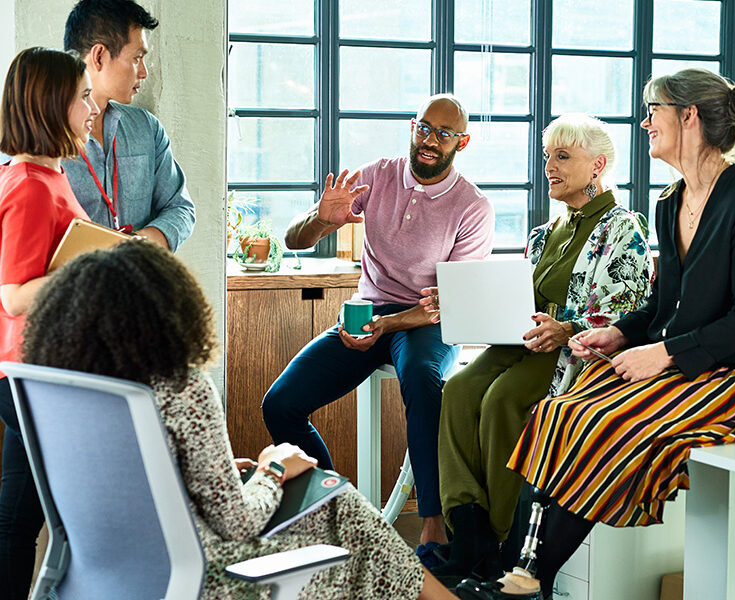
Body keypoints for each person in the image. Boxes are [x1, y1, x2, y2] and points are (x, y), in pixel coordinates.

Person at [458, 69, 735, 600]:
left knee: (604, 418)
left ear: (688, 117)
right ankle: (513, 574)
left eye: (652, 109)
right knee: (558, 410)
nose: (644, 122)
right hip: (690, 365)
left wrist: (660, 354)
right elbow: (664, 307)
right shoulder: (670, 203)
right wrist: (617, 335)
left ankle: (525, 584)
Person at [21, 240, 461, 600]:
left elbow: (132, 481)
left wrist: (214, 474)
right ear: (167, 310)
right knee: (338, 506)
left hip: (102, 576)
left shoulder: (62, 392)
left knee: (326, 501)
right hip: (206, 578)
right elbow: (238, 524)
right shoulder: (182, 388)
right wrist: (274, 467)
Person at [421, 114, 653, 586]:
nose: (549, 165)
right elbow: (517, 297)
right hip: (521, 341)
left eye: (563, 157)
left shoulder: (622, 227)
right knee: (459, 389)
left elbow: (629, 309)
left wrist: (566, 328)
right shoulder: (545, 232)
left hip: (568, 352)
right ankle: (468, 533)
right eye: (548, 156)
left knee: (501, 400)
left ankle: (504, 548)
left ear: (598, 166)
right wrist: (466, 304)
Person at [262, 94, 495, 556]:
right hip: (367, 310)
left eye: (443, 134)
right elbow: (294, 239)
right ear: (412, 127)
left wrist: (388, 327)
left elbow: (448, 304)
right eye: (424, 128)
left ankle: (433, 524)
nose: (430, 140)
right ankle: (334, 509)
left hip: (426, 321)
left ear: (461, 143)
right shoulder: (376, 176)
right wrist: (321, 219)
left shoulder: (473, 207)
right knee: (280, 404)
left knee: (424, 382)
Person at [0, 46, 100, 600]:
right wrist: (95, 265)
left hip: (36, 372)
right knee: (38, 520)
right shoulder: (31, 185)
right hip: (30, 373)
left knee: (19, 517)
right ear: (50, 103)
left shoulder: (45, 177)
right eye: (83, 96)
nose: (91, 107)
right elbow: (14, 296)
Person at [61, 0, 195, 251]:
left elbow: (180, 208)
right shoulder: (40, 140)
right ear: (99, 56)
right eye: (137, 58)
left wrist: (138, 246)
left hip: (139, 285)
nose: (143, 72)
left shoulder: (147, 129)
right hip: (73, 288)